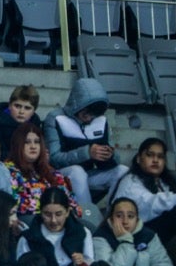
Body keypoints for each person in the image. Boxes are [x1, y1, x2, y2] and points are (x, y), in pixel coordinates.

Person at [43, 77, 119, 212]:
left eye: (94, 114)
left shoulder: (101, 121)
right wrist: (87, 153)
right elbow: (54, 158)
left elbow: (115, 160)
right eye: (87, 112)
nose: (90, 117)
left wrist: (110, 154)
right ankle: (87, 216)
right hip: (63, 174)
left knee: (122, 171)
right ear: (77, 103)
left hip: (89, 174)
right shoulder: (55, 118)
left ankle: (113, 215)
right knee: (77, 172)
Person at [92, 196, 172, 266]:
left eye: (130, 216)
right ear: (111, 219)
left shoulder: (148, 236)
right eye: (119, 216)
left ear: (137, 219)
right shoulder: (100, 238)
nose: (125, 221)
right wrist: (126, 242)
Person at [5, 122, 78, 220]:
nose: (33, 146)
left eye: (37, 142)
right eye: (27, 142)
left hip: (59, 220)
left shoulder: (52, 172)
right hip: (30, 221)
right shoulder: (8, 171)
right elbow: (15, 205)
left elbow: (71, 201)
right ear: (18, 145)